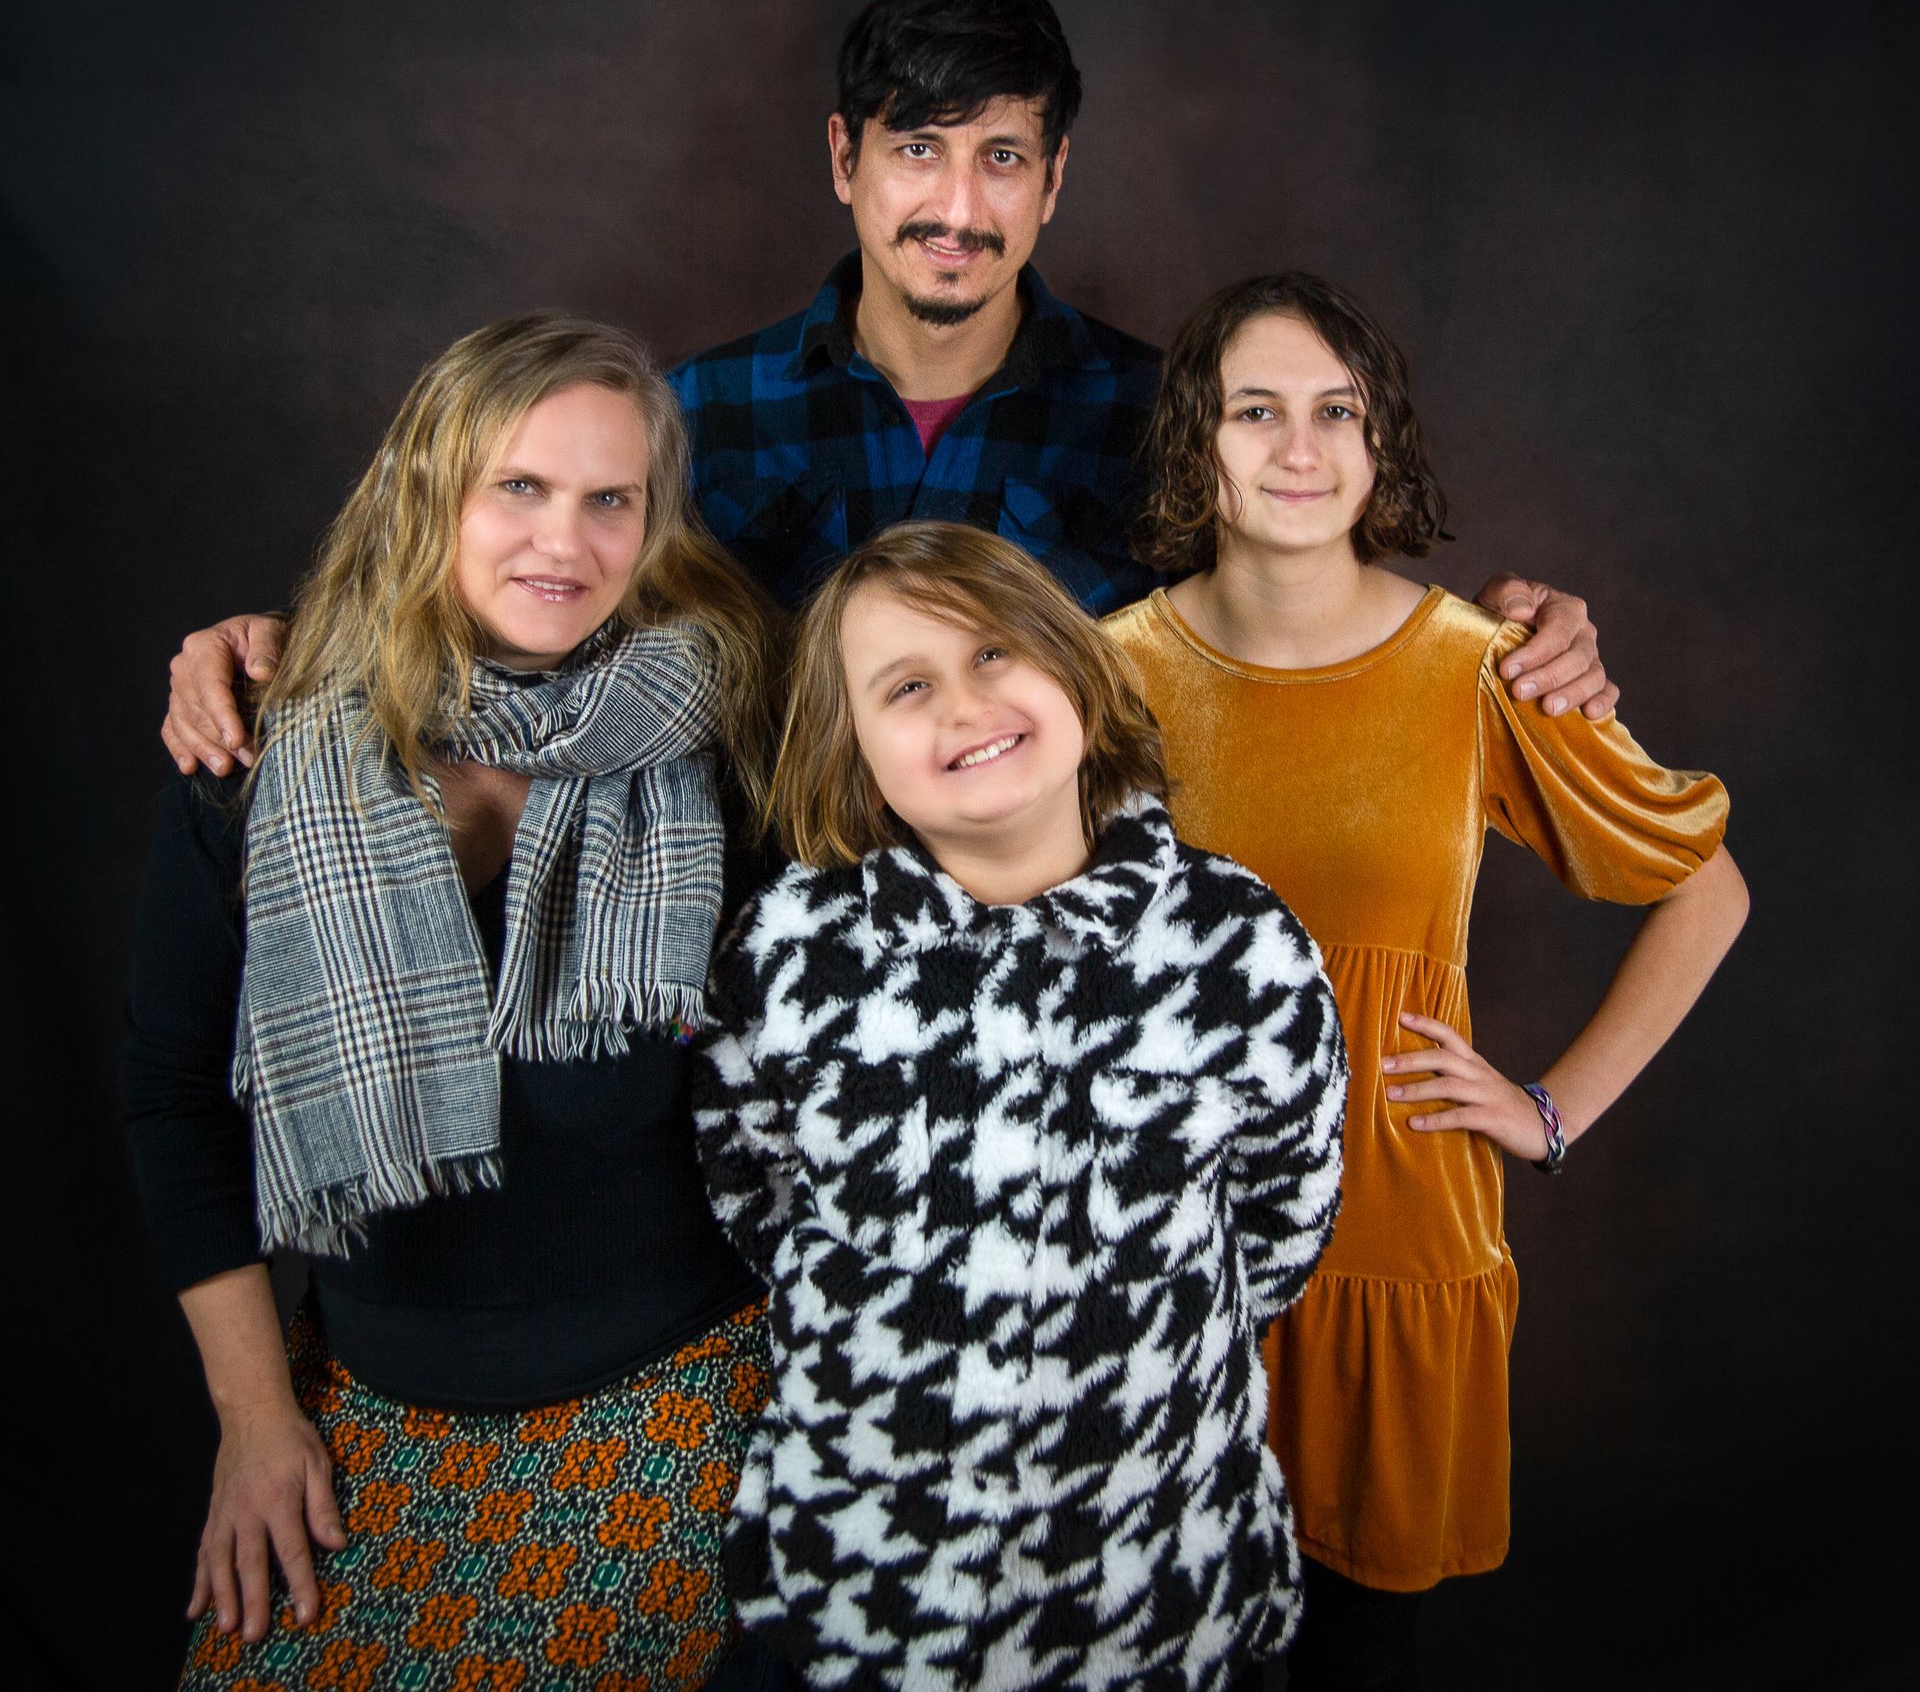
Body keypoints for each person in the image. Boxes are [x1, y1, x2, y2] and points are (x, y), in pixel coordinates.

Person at [155, 0, 1615, 781]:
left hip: (1064, 1006)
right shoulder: (689, 421)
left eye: (1000, 157)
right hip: (749, 990)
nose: (958, 208)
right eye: (918, 150)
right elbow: (515, 613)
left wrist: (1505, 636)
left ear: (1056, 181)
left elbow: (1326, 611)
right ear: (845, 159)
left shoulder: (1163, 418)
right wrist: (289, 647)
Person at [122, 314, 791, 1688]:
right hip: (361, 1416)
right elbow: (177, 1101)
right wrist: (255, 1421)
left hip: (681, 1408)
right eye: (521, 489)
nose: (567, 541)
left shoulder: (722, 749)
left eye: (614, 501)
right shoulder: (266, 754)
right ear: (430, 495)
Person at [1104, 273, 1750, 1689]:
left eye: (1337, 411)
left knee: (1355, 1661)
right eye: (1256, 410)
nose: (1300, 447)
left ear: (1379, 441)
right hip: (1166, 1271)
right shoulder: (1104, 679)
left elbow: (1708, 888)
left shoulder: (1480, 669)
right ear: (1193, 445)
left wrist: (1552, 1108)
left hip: (1394, 1251)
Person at [690, 521, 1349, 1689]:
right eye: (906, 685)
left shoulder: (1234, 942)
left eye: (997, 654)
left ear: (1075, 667)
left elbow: (1281, 1219)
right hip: (861, 1585)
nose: (964, 703)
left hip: (1156, 1582)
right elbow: (757, 1190)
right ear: (853, 752)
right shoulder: (793, 950)